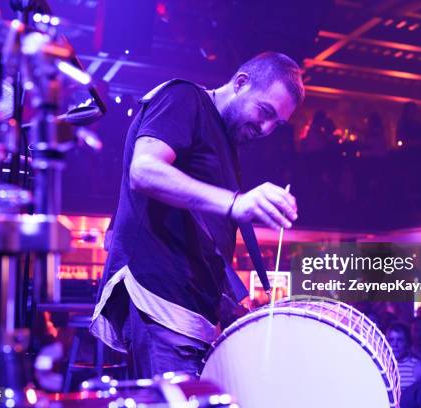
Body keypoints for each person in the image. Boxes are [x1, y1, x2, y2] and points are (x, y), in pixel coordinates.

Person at [90, 52, 304, 379]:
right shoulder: (183, 97)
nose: (266, 128)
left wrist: (227, 302)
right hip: (161, 304)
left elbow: (197, 233)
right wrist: (235, 203)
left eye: (277, 124)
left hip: (192, 317)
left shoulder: (224, 145)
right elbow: (145, 170)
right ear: (241, 83)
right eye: (265, 112)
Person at [386, 323, 421, 390]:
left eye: (400, 340)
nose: (395, 344)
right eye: (391, 340)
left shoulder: (419, 367)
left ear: (407, 343)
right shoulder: (382, 365)